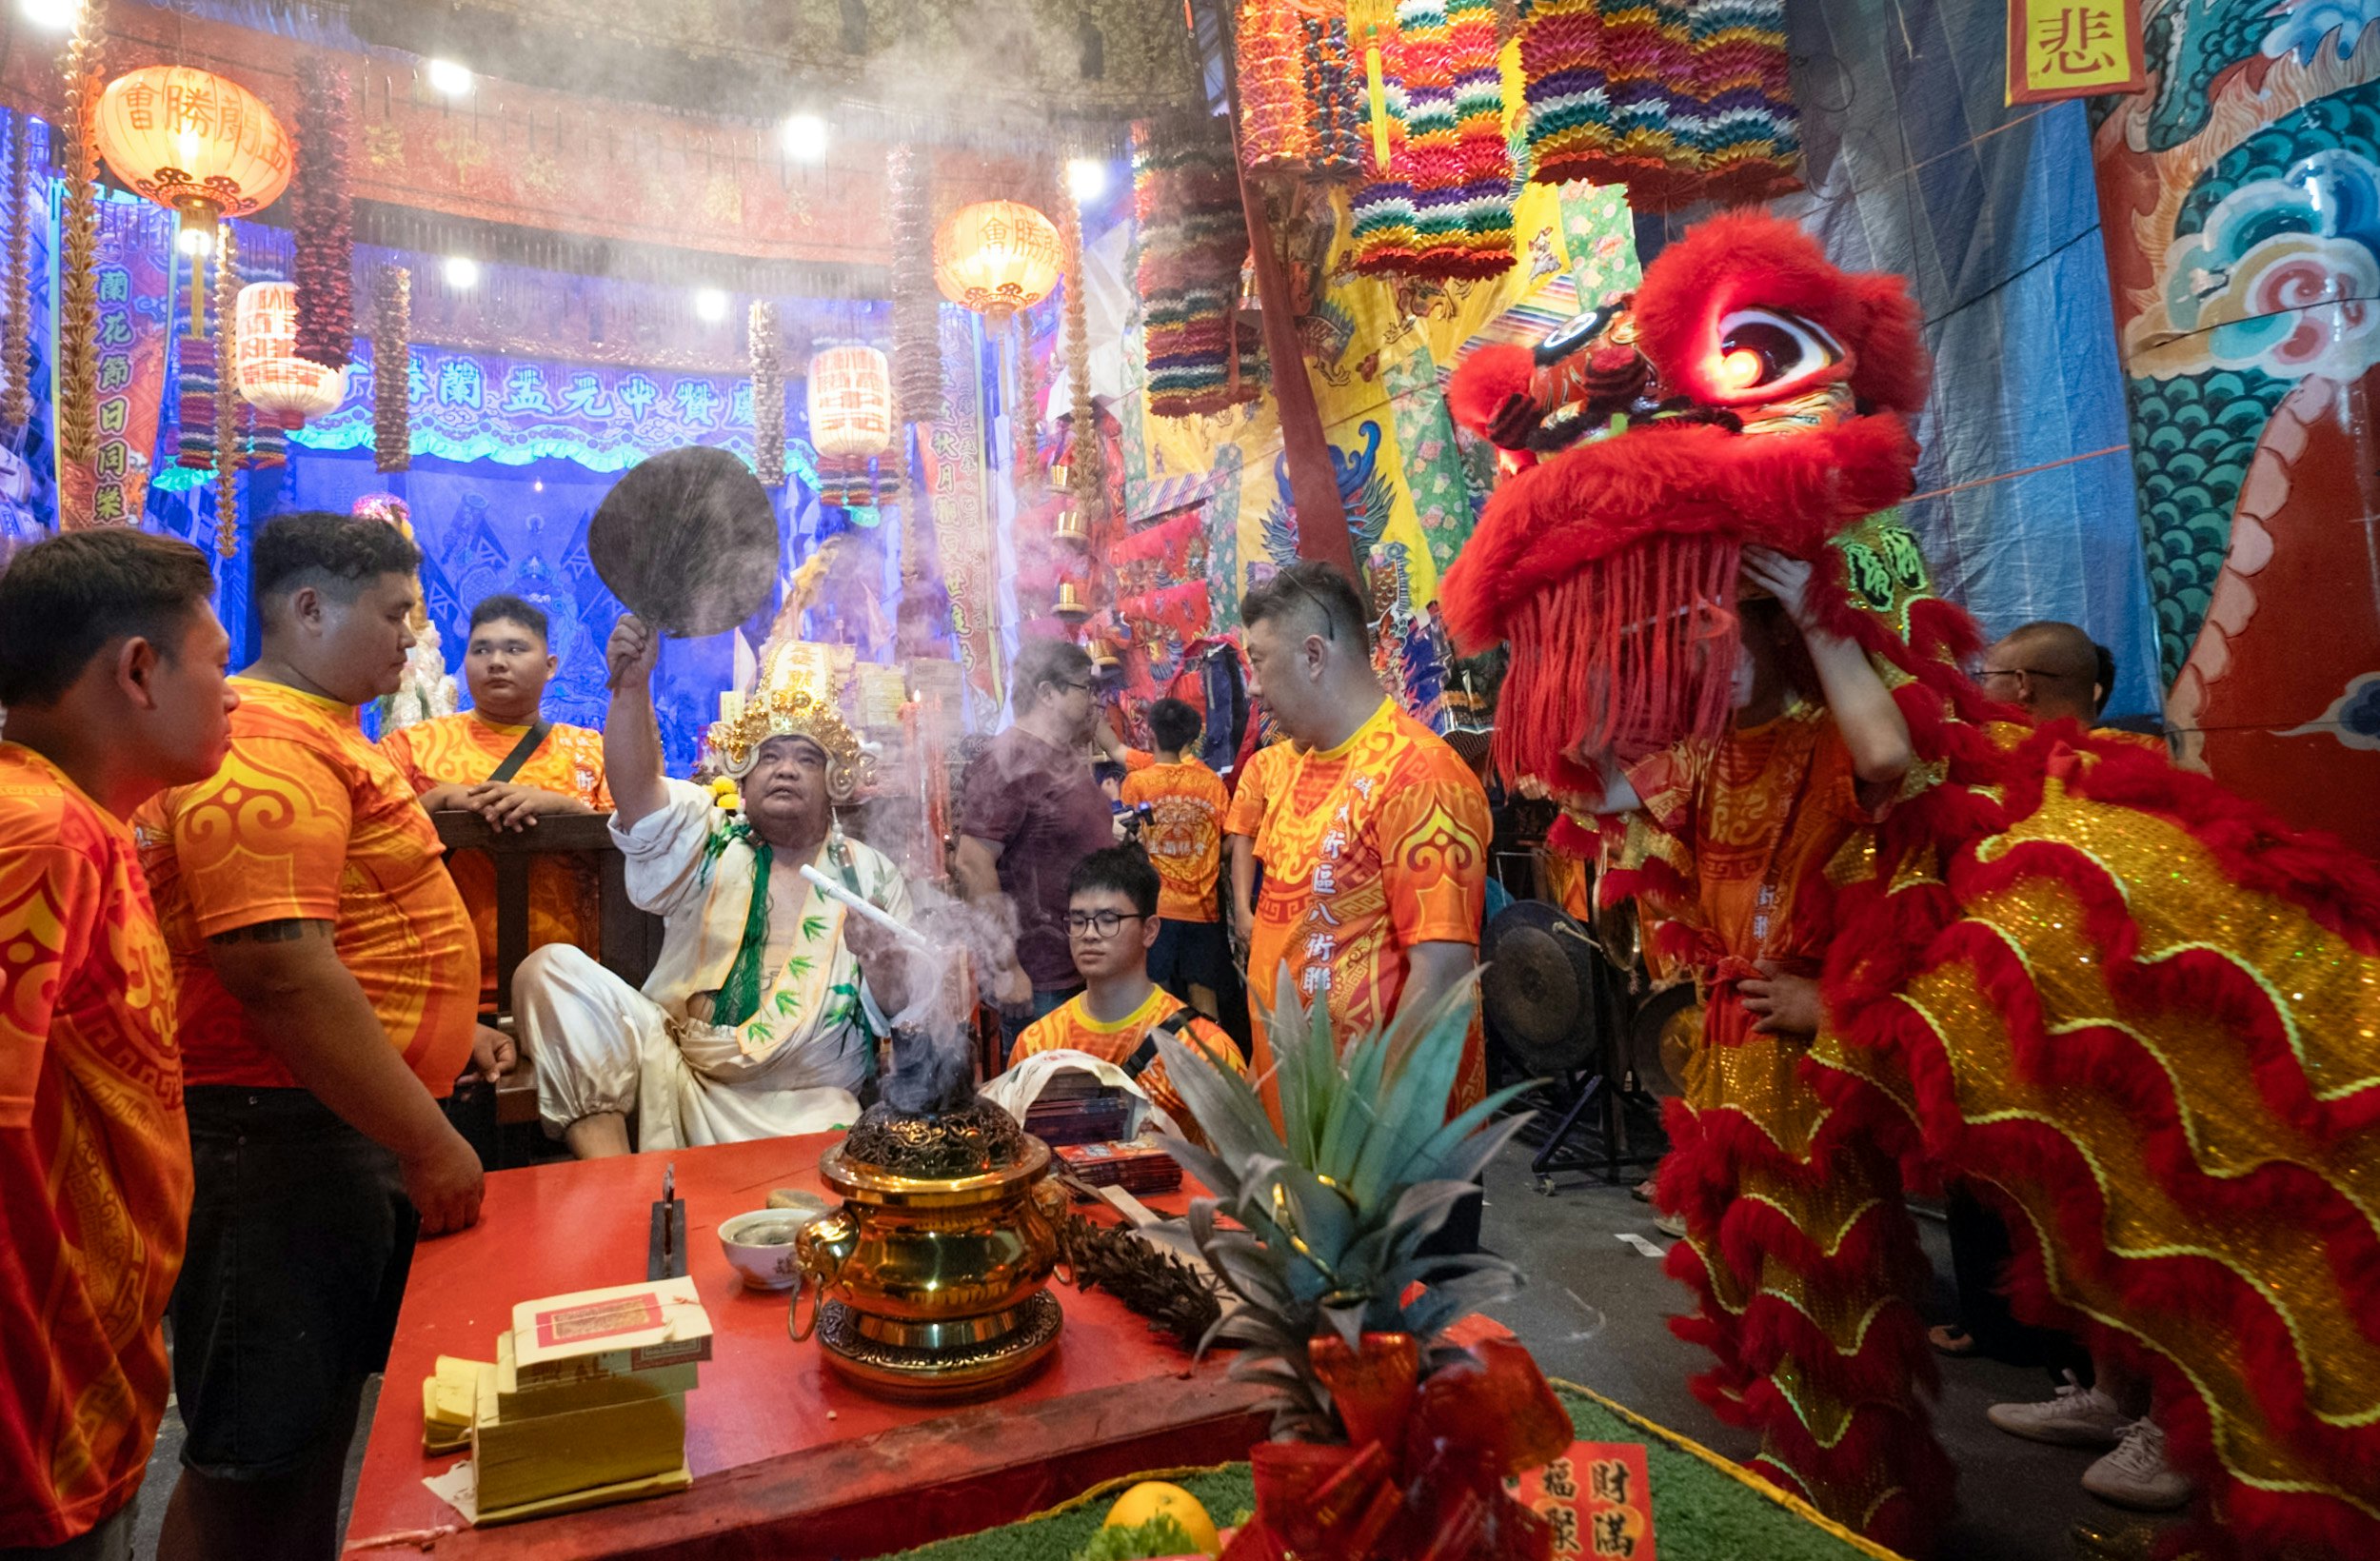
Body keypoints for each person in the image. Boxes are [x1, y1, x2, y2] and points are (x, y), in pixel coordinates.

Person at [136, 512, 500, 1561]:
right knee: (253, 1460)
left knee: (307, 1435)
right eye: (394, 613)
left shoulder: (324, 730)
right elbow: (278, 969)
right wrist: (427, 1139)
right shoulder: (264, 742)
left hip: (323, 1122)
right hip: (277, 1136)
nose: (411, 637)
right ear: (308, 608)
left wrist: (450, 1031)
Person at [1588, 547, 1948, 1536]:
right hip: (1724, 1056)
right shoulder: (1699, 757)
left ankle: (1851, 1516)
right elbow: (1597, 784)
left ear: (1776, 635)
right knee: (1747, 1293)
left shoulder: (1827, 735)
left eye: (1721, 637)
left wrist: (1816, 611)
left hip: (1807, 1065)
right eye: (1686, 646)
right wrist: (1586, 647)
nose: (1704, 663)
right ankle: (1791, 1486)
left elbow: (1889, 759)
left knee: (1821, 1292)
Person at [0, 532, 236, 1559]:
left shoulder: (86, 825)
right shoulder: (37, 833)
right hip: (30, 1412)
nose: (233, 695)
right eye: (218, 664)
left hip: (85, 1376)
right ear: (139, 670)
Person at [516, 619, 915, 1156]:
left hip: (808, 1102)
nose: (786, 770)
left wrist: (881, 960)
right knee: (548, 971)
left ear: (834, 782)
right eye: (769, 756)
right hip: (680, 1074)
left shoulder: (871, 876)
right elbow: (636, 795)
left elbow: (904, 1009)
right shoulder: (707, 840)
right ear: (742, 777)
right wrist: (631, 687)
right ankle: (612, 1177)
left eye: (806, 758)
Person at [1969, 622, 2192, 1511]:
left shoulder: (2127, 769)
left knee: (2152, 1236)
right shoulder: (2005, 774)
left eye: (1987, 675)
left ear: (2022, 686)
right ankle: (2112, 1396)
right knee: (2080, 1227)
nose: (1980, 689)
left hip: (2133, 1039)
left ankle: (2176, 1430)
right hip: (2050, 1035)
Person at [1236, 562, 1492, 1116]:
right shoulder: (1295, 770)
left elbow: (1441, 975)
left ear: (1313, 655)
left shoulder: (1420, 776)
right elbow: (1285, 944)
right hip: (1299, 1123)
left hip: (1376, 1134)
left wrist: (1375, 1134)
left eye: (1258, 661)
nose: (1252, 687)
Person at [379, 593, 610, 1009]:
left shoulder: (592, 751)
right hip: (438, 987)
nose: (496, 662)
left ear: (550, 666)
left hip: (570, 988)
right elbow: (368, 846)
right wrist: (435, 800)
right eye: (481, 649)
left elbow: (636, 854)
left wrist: (564, 810)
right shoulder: (411, 746)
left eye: (515, 649)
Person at [1003, 847, 1245, 1147]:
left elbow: (1241, 1166)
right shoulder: (1037, 1045)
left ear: (1149, 930)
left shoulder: (1203, 1052)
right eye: (1078, 921)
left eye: (1108, 919)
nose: (1089, 934)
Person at [955, 638, 1117, 1048]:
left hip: (1081, 966)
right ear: (1047, 693)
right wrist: (1007, 967)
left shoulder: (1061, 756)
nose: (1095, 701)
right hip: (1042, 979)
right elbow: (972, 863)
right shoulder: (1007, 760)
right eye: (1086, 688)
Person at [1121, 697, 1232, 1021]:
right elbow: (1229, 841)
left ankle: (1160, 1054)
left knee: (1156, 1000)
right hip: (1203, 909)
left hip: (1156, 909)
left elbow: (1127, 841)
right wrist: (1208, 856)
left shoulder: (1137, 783)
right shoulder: (1211, 784)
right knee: (1204, 998)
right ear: (1189, 739)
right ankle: (1210, 1052)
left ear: (1151, 735)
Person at [1977, 619, 2112, 723]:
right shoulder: (2120, 745)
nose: (1976, 689)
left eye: (1984, 678)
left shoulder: (1997, 748)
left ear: (2023, 684)